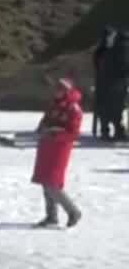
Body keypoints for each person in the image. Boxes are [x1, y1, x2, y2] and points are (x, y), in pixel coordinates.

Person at [32, 78, 84, 228]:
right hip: (46, 146)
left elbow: (74, 133)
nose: (57, 92)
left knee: (52, 183)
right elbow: (44, 121)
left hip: (59, 149)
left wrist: (56, 133)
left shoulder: (73, 108)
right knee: (45, 181)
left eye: (60, 89)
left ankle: (73, 211)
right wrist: (42, 129)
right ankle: (51, 216)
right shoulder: (53, 105)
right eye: (56, 89)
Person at [92, 27, 128, 141]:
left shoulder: (104, 49)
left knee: (105, 107)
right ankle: (117, 131)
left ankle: (106, 131)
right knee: (116, 107)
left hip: (104, 81)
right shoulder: (122, 48)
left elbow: (96, 64)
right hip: (117, 82)